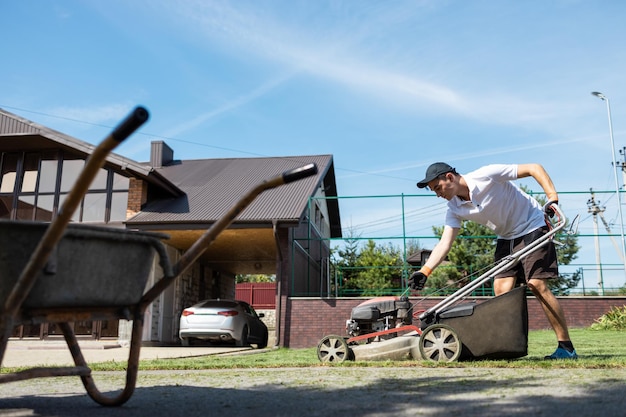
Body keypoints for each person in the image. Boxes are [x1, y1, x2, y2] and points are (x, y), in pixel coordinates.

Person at [409, 162, 577, 360]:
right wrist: (425, 271)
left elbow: (534, 168)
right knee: (501, 292)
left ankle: (566, 348)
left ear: (449, 177)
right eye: (433, 191)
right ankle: (506, 348)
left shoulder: (486, 175)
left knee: (536, 285)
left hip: (533, 224)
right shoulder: (454, 208)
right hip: (506, 237)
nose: (438, 194)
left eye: (437, 188)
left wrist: (552, 199)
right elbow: (445, 243)